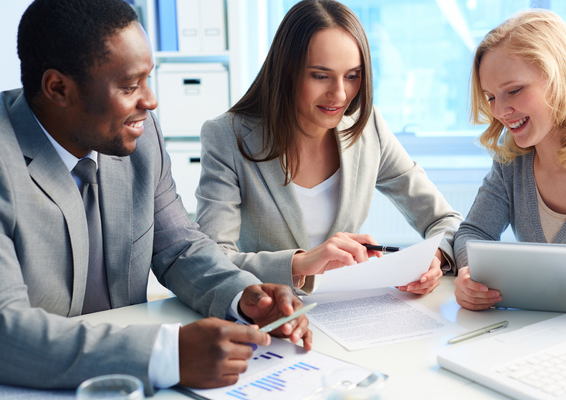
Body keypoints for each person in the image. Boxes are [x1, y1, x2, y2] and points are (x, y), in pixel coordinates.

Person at [0, 0, 312, 395]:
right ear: (58, 88)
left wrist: (243, 294)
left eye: (148, 79)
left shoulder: (136, 136)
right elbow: (3, 331)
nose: (150, 100)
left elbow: (179, 245)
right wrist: (166, 355)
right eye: (130, 86)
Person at [195, 0, 462, 296]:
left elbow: (445, 221)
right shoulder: (228, 136)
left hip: (344, 306)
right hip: (265, 311)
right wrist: (301, 263)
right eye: (320, 76)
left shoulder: (367, 125)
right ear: (287, 71)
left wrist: (431, 260)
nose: (339, 94)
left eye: (352, 76)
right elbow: (211, 261)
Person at [453, 9, 566, 310]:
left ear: (561, 79)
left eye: (514, 90)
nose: (500, 111)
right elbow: (473, 233)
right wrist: (471, 276)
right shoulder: (512, 162)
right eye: (491, 96)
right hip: (538, 332)